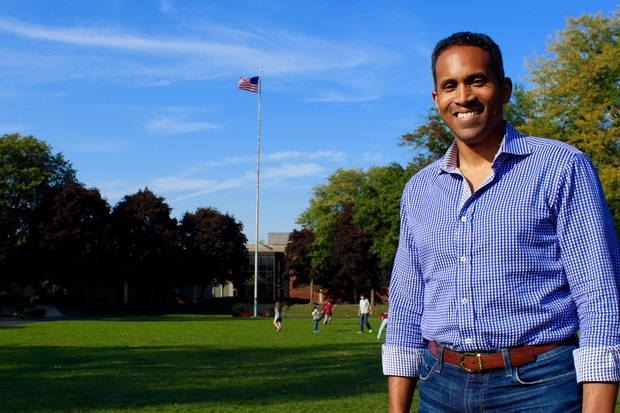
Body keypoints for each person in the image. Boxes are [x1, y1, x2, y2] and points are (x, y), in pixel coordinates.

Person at [382, 31, 620, 413]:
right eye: (449, 86)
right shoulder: (418, 190)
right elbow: (407, 306)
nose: (463, 97)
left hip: (538, 386)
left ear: (504, 89)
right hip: (438, 385)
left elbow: (600, 300)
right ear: (436, 99)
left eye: (477, 80)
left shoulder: (561, 168)